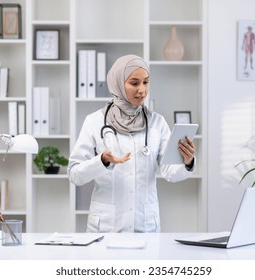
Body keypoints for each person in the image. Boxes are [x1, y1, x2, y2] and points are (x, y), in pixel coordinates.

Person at [68, 54, 196, 233]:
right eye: (134, 83)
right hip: (106, 228)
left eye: (146, 82)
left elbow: (170, 173)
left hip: (144, 226)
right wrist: (102, 161)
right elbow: (75, 174)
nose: (142, 90)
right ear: (118, 83)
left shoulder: (157, 122)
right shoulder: (95, 121)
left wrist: (187, 162)